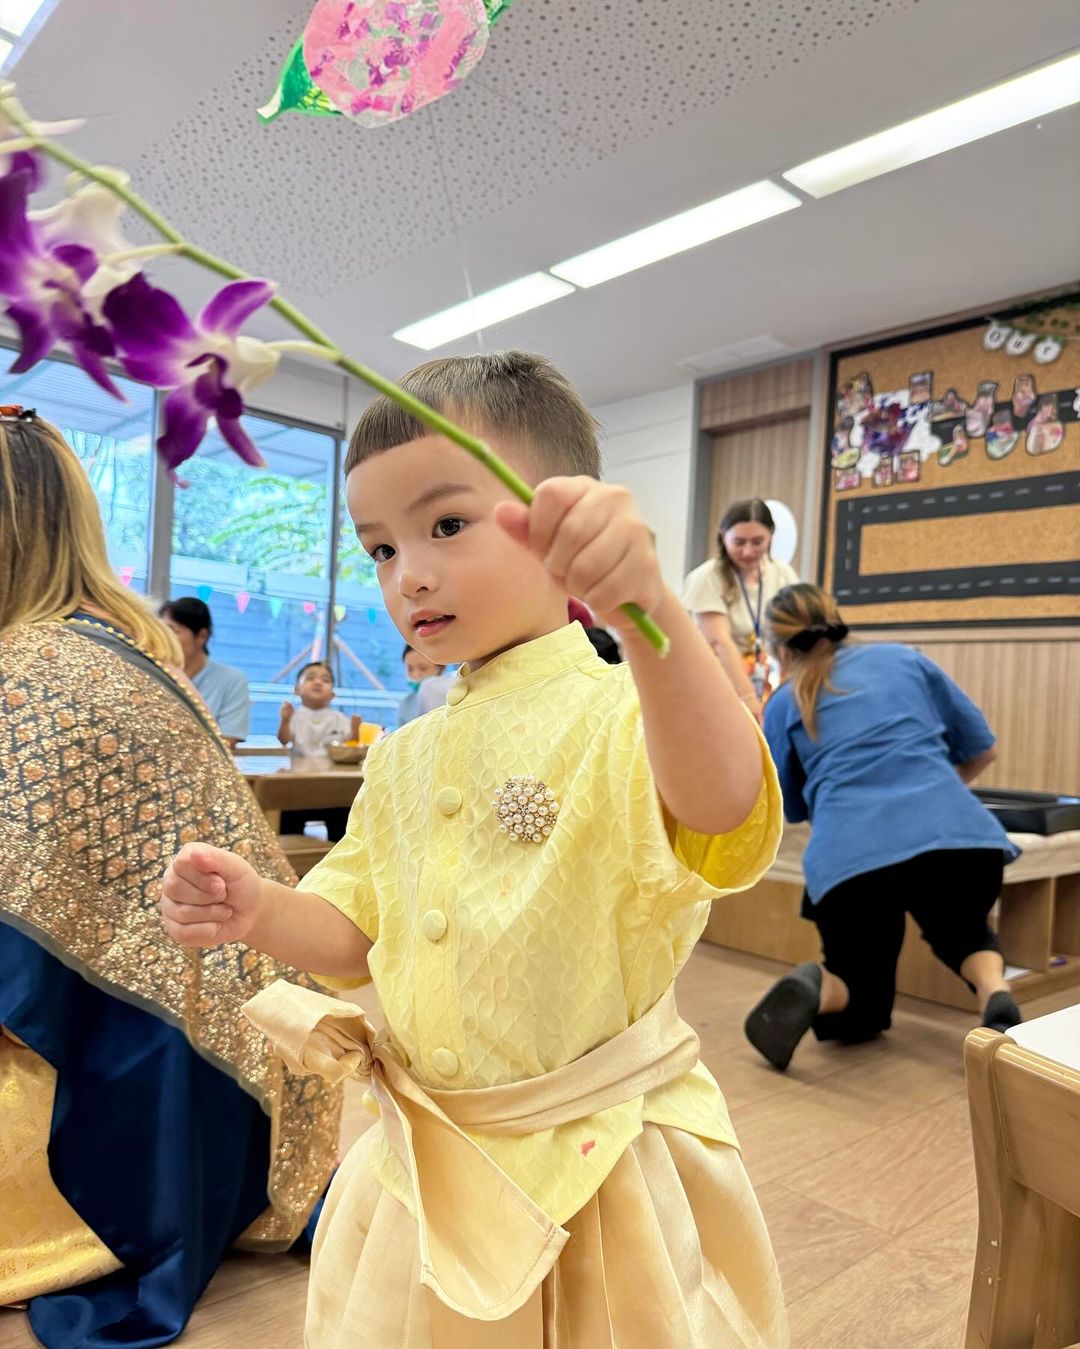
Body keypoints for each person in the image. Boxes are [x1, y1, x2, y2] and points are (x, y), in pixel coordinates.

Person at [161, 350, 788, 1347]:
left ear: (563, 522)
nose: (407, 572)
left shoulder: (625, 706)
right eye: (377, 548)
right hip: (429, 1158)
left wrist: (649, 609)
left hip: (600, 1160)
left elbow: (721, 807)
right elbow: (359, 931)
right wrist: (261, 910)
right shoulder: (403, 755)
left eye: (446, 524)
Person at [0, 409, 340, 1348]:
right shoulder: (129, 652)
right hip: (247, 1069)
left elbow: (20, 955)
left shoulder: (27, 670)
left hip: (144, 1075)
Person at [745, 582, 1022, 1073]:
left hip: (853, 856)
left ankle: (820, 987)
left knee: (862, 998)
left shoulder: (785, 704)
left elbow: (789, 807)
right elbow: (983, 748)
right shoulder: (903, 660)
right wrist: (925, 796)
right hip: (959, 837)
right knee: (962, 930)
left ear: (779, 648)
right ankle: (995, 993)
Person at [682, 498, 799, 722]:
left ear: (771, 537)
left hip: (767, 677)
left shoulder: (782, 573)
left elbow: (791, 633)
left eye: (757, 542)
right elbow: (720, 642)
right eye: (739, 542)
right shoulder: (707, 577)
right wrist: (748, 698)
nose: (748, 551)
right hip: (718, 680)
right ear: (723, 536)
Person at [277, 660, 362, 842]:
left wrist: (355, 728)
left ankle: (341, 855)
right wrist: (284, 720)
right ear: (296, 689)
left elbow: (350, 742)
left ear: (332, 694)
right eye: (310, 678)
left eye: (325, 679)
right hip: (299, 784)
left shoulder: (338, 717)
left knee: (344, 818)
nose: (318, 682)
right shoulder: (295, 716)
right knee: (288, 818)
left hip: (331, 785)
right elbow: (284, 739)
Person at [159, 595, 251, 746]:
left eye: (172, 630)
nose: (164, 638)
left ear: (202, 636)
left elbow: (227, 741)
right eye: (161, 631)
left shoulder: (232, 680)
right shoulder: (156, 675)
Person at [397, 643, 455, 727]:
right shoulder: (406, 704)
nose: (416, 674)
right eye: (410, 669)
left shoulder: (455, 697)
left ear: (441, 667)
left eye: (423, 668)